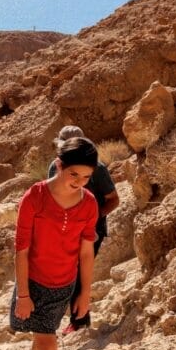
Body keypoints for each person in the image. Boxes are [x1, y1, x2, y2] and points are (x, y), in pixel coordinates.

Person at [11, 136, 98, 350]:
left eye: (86, 177)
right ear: (59, 166)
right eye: (74, 174)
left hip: (63, 283)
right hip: (33, 282)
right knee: (46, 340)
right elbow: (21, 249)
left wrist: (85, 293)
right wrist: (23, 295)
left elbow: (86, 253)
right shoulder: (34, 197)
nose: (80, 182)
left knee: (44, 336)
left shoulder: (89, 204)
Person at [46, 125, 120, 334]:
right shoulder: (55, 166)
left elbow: (113, 200)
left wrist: (92, 218)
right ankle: (71, 318)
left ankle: (79, 321)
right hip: (64, 230)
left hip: (92, 231)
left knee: (78, 273)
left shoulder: (98, 169)